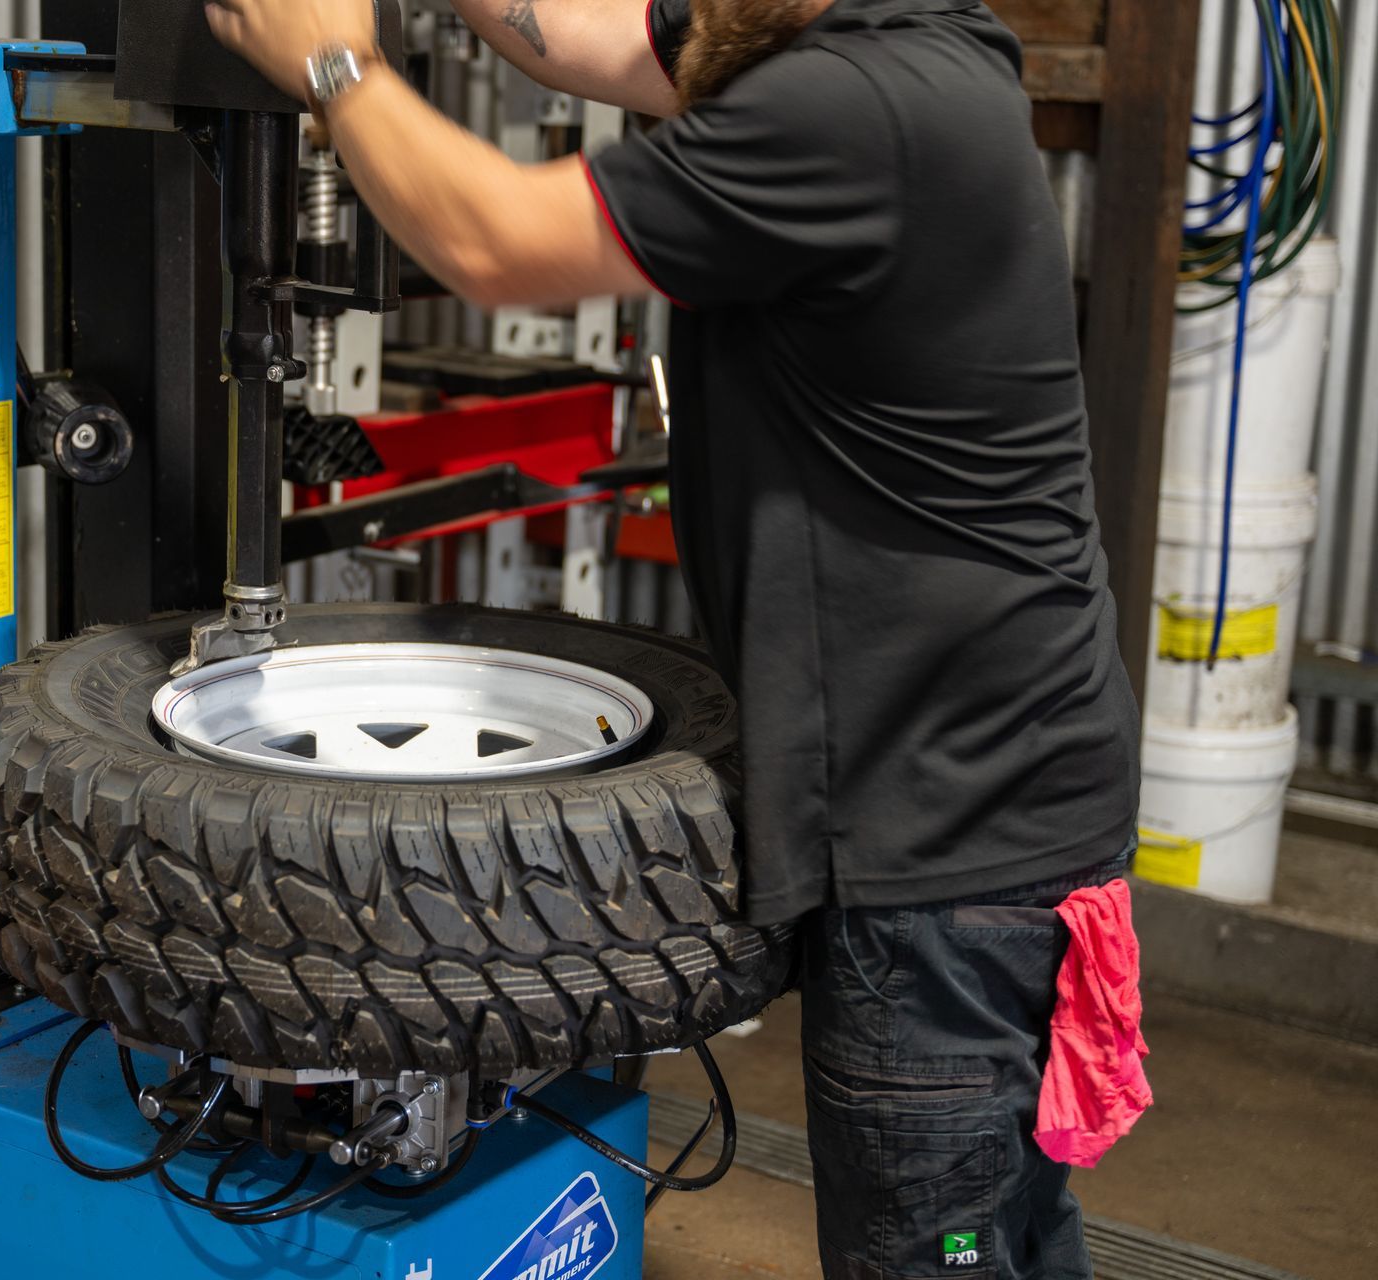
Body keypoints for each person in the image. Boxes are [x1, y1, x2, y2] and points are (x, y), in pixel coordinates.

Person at [210, 1, 1141, 1276]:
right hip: (1015, 797)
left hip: (944, 851)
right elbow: (612, 48)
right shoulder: (912, 49)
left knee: (937, 1249)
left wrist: (334, 62)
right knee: (1016, 1237)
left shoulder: (843, 107)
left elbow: (489, 242)